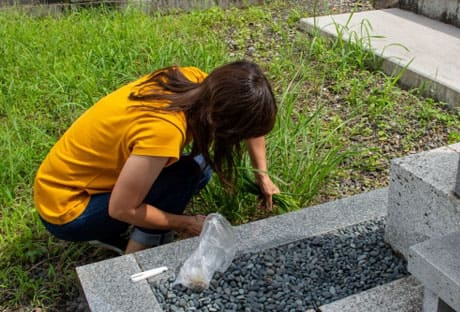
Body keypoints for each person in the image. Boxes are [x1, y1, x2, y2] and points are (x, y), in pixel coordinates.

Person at [33, 60, 280, 255]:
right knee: (188, 174)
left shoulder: (194, 81)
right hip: (69, 211)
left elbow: (251, 122)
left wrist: (262, 175)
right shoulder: (163, 132)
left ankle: (132, 231)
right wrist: (185, 223)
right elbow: (122, 208)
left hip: (61, 184)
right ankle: (135, 256)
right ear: (223, 120)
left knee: (202, 166)